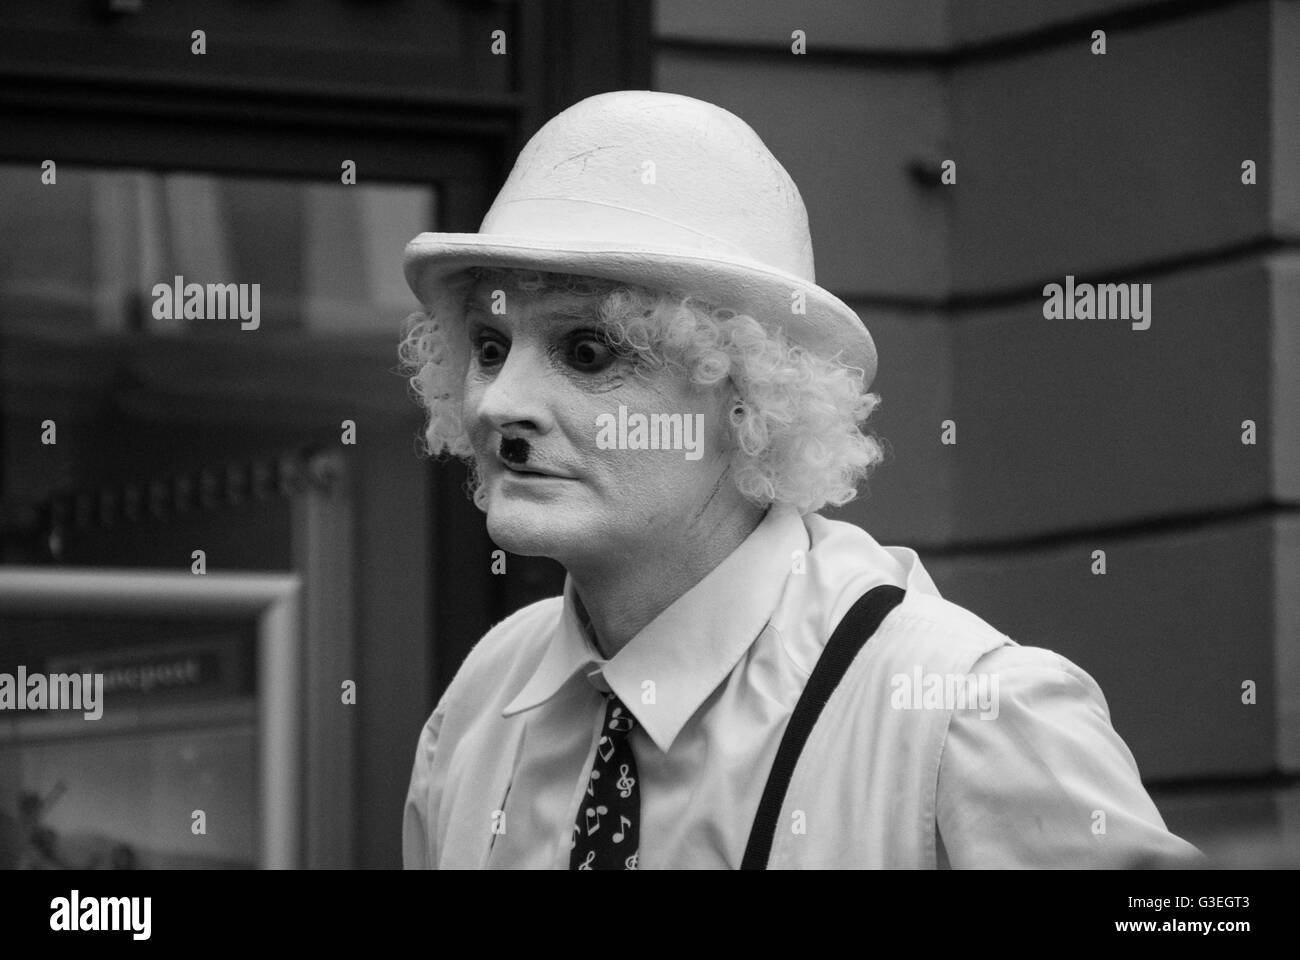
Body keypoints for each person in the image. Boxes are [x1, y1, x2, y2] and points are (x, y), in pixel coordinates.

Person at [397, 90, 1201, 869]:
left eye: (587, 353)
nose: (500, 402)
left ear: (750, 395)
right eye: (491, 346)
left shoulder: (963, 711)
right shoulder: (483, 698)